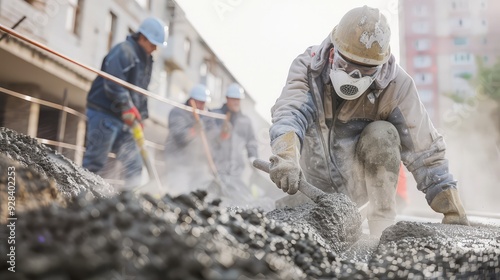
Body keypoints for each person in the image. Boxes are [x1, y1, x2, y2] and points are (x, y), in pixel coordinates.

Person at [268, 5, 469, 236]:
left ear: (380, 66)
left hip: (359, 188)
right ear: (333, 52)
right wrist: (285, 156)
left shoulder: (397, 86)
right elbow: (290, 113)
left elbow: (424, 148)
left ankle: (381, 229)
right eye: (346, 65)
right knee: (284, 228)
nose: (353, 77)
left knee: (382, 133)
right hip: (312, 184)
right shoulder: (308, 68)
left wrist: (448, 202)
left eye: (365, 71)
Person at [82, 17, 166, 190]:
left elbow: (142, 92)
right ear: (142, 37)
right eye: (153, 44)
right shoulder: (124, 51)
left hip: (126, 121)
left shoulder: (147, 61)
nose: (155, 48)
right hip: (105, 113)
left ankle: (128, 206)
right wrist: (127, 107)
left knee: (134, 166)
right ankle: (78, 198)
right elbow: (113, 83)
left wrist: (141, 116)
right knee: (95, 162)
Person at [163, 84, 217, 195]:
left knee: (201, 190)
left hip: (196, 164)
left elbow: (213, 137)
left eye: (204, 103)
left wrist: (223, 134)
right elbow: (180, 138)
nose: (202, 106)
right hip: (178, 161)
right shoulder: (178, 112)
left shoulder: (206, 115)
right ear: (192, 100)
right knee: (179, 192)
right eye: (200, 102)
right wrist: (194, 130)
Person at [211, 83, 259, 203]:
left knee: (238, 200)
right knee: (214, 199)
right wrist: (220, 135)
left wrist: (253, 157)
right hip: (215, 168)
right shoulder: (214, 115)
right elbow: (206, 139)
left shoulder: (245, 121)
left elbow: (251, 142)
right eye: (233, 99)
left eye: (238, 99)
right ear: (227, 99)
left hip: (236, 170)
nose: (236, 102)